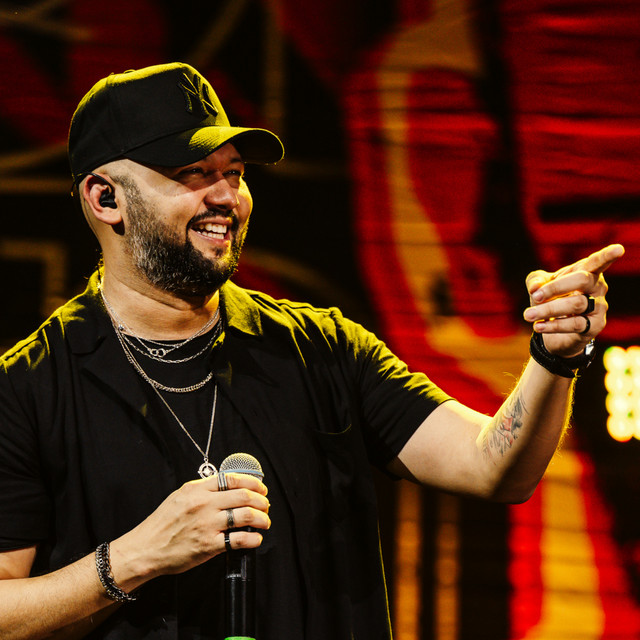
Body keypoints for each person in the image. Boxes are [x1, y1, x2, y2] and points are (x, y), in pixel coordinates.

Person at [0, 61, 624, 640]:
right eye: (193, 174)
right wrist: (134, 558)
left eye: (234, 173)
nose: (227, 197)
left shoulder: (322, 348)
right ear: (105, 198)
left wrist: (555, 357)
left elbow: (494, 467)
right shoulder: (27, 388)